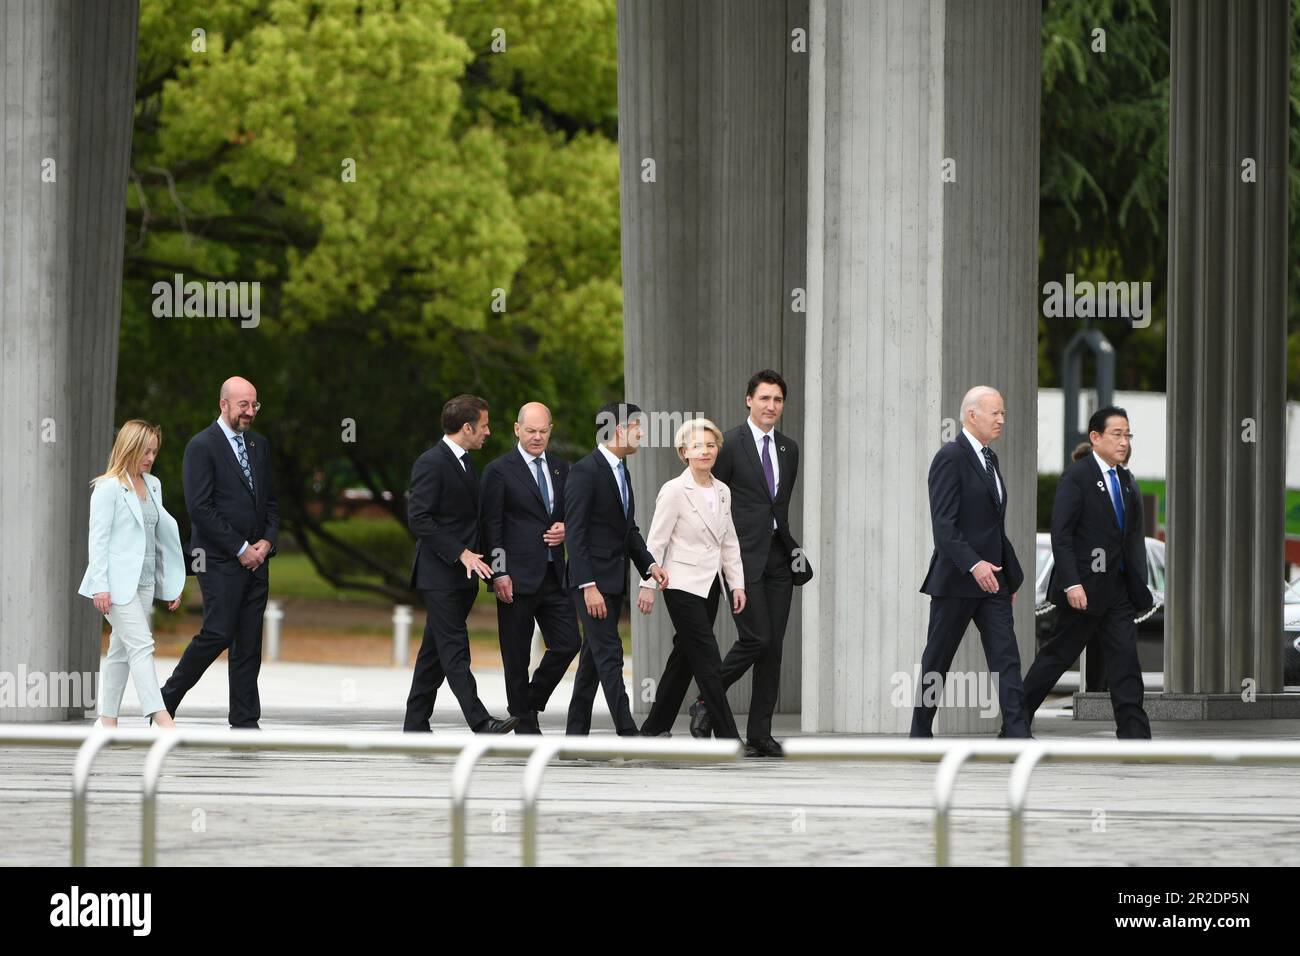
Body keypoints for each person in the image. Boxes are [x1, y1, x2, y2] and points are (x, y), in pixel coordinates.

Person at [690, 370, 810, 758]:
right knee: (755, 639)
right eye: (764, 399)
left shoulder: (790, 449)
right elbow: (712, 497)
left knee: (773, 647)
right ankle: (708, 700)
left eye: (777, 400)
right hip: (740, 557)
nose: (771, 406)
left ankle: (760, 732)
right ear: (748, 400)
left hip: (780, 555)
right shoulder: (729, 445)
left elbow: (778, 505)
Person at [1023, 406, 1153, 739]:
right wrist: (1072, 583)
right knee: (1057, 656)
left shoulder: (1125, 481)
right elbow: (1061, 534)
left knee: (1125, 663)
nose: (1124, 442)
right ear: (1095, 438)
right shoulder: (1078, 476)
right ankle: (1015, 723)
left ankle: (1136, 737)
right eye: (1117, 434)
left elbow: (1130, 539)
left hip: (1118, 592)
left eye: (1127, 435)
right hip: (1084, 590)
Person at [911, 386, 1031, 738]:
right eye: (995, 413)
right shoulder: (950, 457)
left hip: (993, 581)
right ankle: (919, 733)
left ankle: (1017, 734)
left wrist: (1007, 575)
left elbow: (994, 525)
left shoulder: (991, 460)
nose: (1002, 420)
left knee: (1006, 658)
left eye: (1003, 413)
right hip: (957, 580)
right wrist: (974, 565)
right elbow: (944, 528)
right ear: (971, 414)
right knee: (937, 661)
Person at [161, 377, 278, 729]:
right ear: (223, 404)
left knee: (249, 642)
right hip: (218, 559)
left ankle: (245, 719)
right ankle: (165, 700)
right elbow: (200, 508)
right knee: (218, 632)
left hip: (258, 562)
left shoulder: (260, 445)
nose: (250, 412)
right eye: (243, 405)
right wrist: (241, 548)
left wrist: (267, 543)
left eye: (254, 405)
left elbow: (270, 503)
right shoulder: (202, 446)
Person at [404, 394, 517, 734]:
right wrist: (461, 553)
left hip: (463, 578)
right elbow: (419, 519)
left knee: (434, 653)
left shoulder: (467, 463)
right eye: (483, 425)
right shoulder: (431, 462)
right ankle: (480, 722)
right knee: (455, 650)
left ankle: (415, 722)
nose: (488, 432)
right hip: (439, 575)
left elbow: (475, 524)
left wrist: (494, 570)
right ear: (466, 427)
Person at [636, 420, 746, 741]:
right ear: (684, 452)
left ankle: (654, 728)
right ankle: (728, 737)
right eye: (697, 446)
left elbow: (729, 541)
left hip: (710, 585)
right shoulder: (673, 490)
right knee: (708, 658)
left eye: (711, 445)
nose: (705, 451)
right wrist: (648, 584)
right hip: (680, 583)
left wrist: (736, 583)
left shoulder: (723, 491)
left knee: (684, 656)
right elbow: (655, 542)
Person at [564, 402, 667, 736]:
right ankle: (628, 733)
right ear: (620, 429)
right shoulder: (585, 471)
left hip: (613, 580)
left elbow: (629, 530)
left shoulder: (621, 471)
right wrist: (587, 585)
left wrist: (649, 565)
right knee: (610, 655)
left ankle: (574, 736)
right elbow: (575, 534)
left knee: (592, 663)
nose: (642, 434)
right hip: (593, 584)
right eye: (638, 427)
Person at [478, 402, 580, 734]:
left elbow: (570, 515)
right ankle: (525, 723)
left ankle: (526, 704)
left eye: (543, 431)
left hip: (553, 574)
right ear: (517, 429)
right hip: (515, 577)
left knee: (568, 644)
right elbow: (490, 526)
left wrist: (566, 527)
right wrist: (498, 573)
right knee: (517, 653)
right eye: (531, 431)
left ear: (551, 430)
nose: (537, 437)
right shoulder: (499, 470)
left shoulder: (562, 469)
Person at [78, 421, 184, 728]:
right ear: (129, 447)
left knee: (120, 650)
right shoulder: (108, 486)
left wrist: (171, 584)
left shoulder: (153, 485)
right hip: (115, 586)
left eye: (154, 451)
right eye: (144, 450)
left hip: (146, 583)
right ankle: (161, 716)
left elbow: (157, 538)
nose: (150, 457)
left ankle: (107, 720)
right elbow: (97, 540)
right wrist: (100, 586)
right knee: (142, 645)